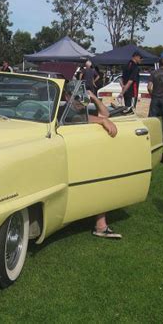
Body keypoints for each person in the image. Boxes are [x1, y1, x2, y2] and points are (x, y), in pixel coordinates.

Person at [62, 83, 121, 238]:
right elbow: (75, 119)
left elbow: (105, 113)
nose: (79, 101)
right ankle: (99, 224)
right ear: (67, 97)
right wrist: (100, 121)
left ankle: (101, 225)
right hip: (69, 155)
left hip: (83, 154)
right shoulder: (65, 110)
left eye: (82, 97)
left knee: (100, 179)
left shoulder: (84, 108)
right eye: (76, 97)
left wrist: (94, 98)